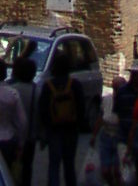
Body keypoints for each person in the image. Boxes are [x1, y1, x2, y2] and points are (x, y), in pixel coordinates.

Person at [40, 46, 88, 186]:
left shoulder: (48, 86)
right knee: (69, 164)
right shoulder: (75, 85)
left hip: (54, 129)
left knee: (54, 164)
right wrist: (79, 123)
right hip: (71, 129)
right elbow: (81, 106)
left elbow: (43, 108)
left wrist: (45, 127)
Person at [11, 52, 39, 186]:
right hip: (30, 137)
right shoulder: (36, 91)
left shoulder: (12, 90)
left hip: (13, 135)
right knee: (27, 167)